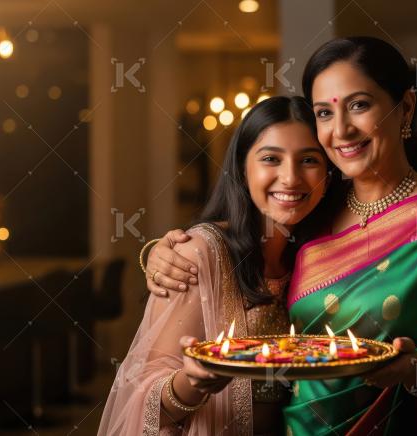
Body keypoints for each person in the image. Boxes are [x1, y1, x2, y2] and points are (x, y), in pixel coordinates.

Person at [143, 37, 417, 435]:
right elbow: (244, 242)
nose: (341, 130)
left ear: (405, 107)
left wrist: (416, 370)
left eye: (359, 105)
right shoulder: (315, 206)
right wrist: (169, 249)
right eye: (323, 113)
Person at [98, 96, 332, 436]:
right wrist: (192, 382)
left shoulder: (322, 252)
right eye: (271, 158)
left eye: (309, 159)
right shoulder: (201, 252)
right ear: (241, 167)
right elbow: (142, 398)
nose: (291, 177)